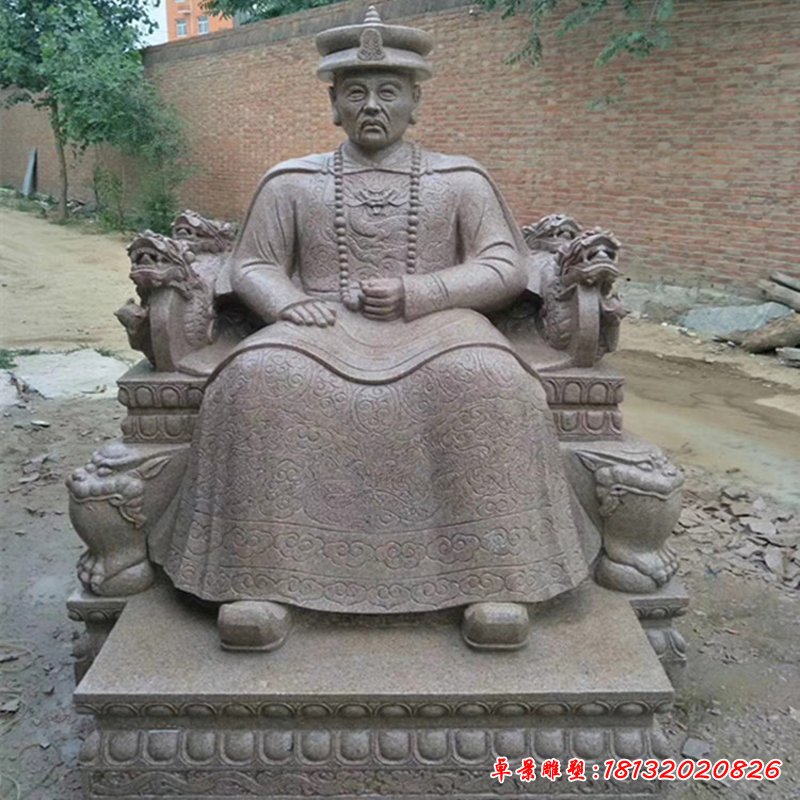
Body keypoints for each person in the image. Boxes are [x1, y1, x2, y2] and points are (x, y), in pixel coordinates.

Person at [164, 6, 588, 651]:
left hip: (440, 325)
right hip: (319, 324)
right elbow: (251, 263)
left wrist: (424, 291)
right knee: (257, 380)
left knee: (490, 381)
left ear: (415, 102)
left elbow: (506, 264)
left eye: (388, 91)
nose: (371, 106)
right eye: (355, 92)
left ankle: (497, 578)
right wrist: (285, 302)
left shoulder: (459, 179)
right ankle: (259, 580)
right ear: (333, 105)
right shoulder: (293, 181)